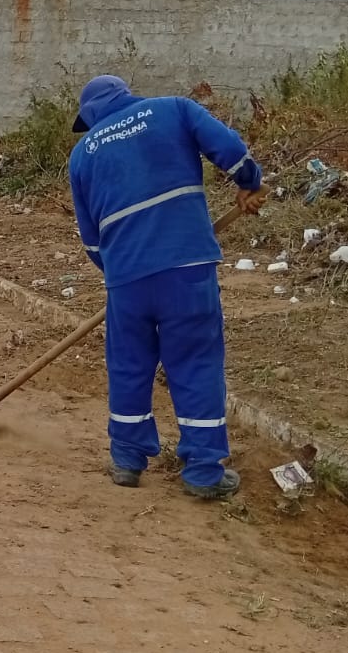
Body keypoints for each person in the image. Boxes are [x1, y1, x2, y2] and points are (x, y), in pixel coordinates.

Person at [67, 75, 265, 500]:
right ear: (126, 95)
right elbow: (231, 152)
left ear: (90, 116)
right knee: (194, 363)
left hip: (126, 281)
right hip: (186, 267)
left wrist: (121, 273)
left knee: (128, 366)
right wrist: (249, 181)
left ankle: (126, 459)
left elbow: (91, 240)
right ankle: (204, 472)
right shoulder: (174, 109)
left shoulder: (82, 153)